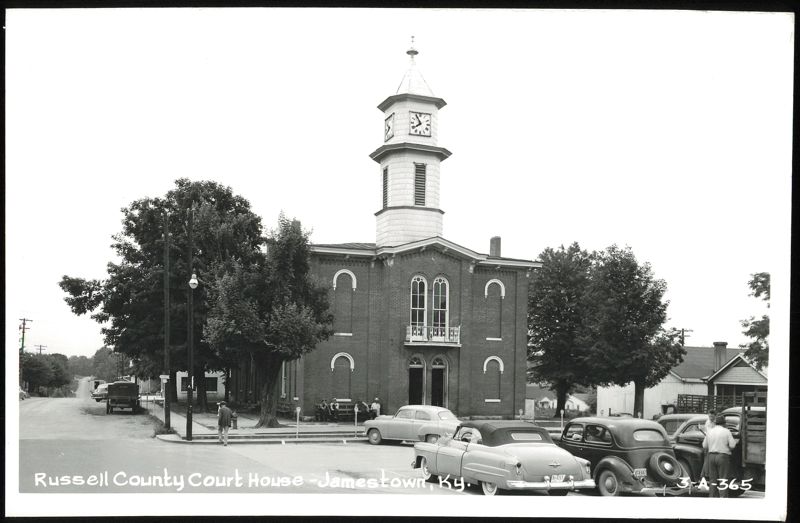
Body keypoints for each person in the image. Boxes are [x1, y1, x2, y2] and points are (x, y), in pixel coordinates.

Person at [702, 414, 737, 497]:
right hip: (723, 456)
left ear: (715, 423)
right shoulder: (726, 431)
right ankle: (723, 498)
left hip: (711, 456)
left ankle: (713, 497)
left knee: (712, 479)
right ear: (724, 423)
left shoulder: (710, 431)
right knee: (723, 479)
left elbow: (704, 446)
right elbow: (732, 445)